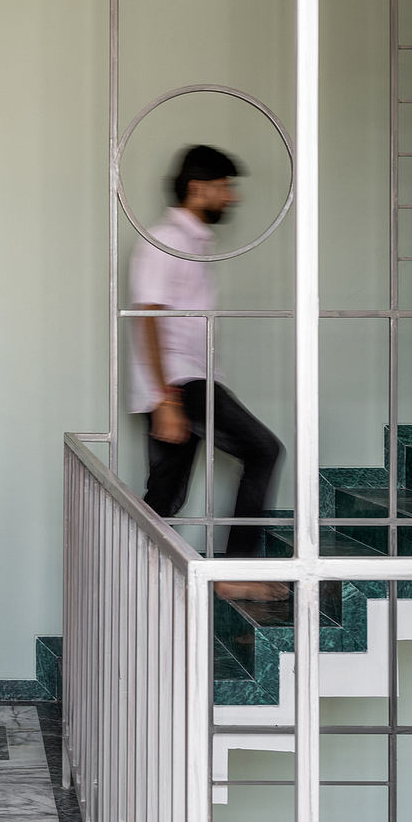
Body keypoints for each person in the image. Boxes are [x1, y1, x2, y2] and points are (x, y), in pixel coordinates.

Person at [129, 144, 286, 603]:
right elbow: (148, 316)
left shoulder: (195, 242)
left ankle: (123, 580)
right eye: (224, 187)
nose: (231, 197)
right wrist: (166, 399)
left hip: (185, 381)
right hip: (180, 384)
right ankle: (234, 573)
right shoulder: (165, 239)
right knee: (264, 451)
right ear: (198, 189)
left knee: (166, 497)